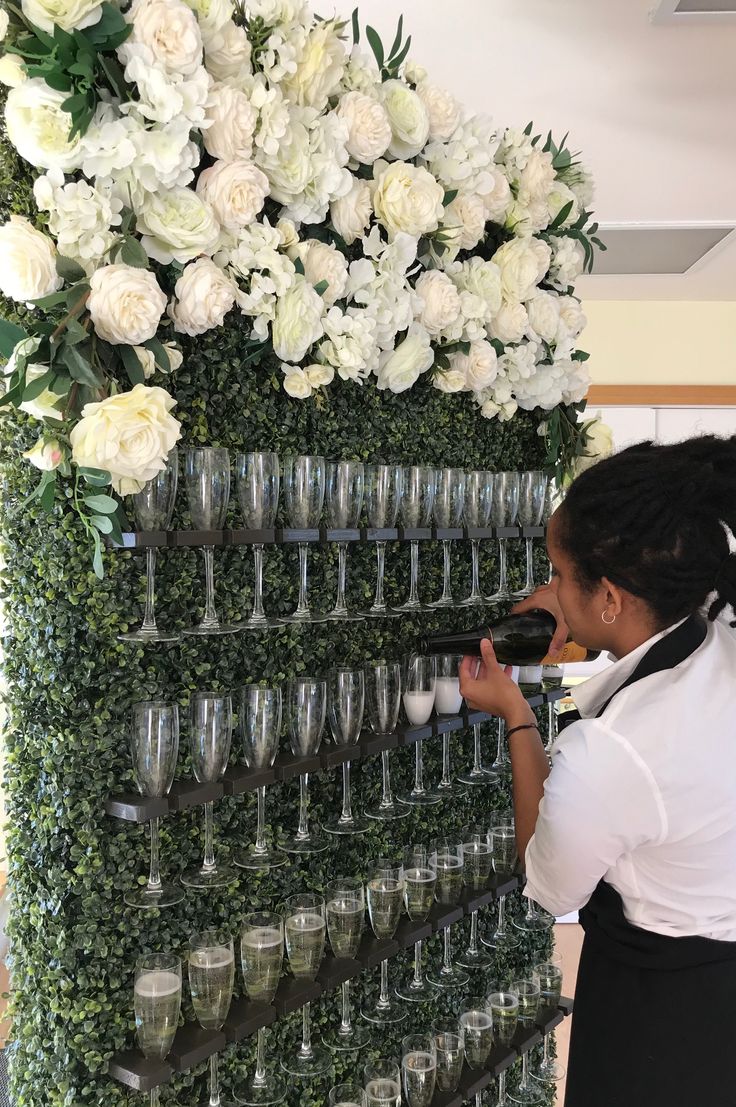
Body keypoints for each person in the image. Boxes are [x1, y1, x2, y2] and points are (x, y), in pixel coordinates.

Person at [458, 435, 736, 1107]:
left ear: (612, 596)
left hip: (661, 1019)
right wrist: (577, 608)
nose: (547, 589)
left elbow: (548, 879)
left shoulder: (613, 751)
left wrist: (516, 716)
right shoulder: (718, 630)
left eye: (556, 573)